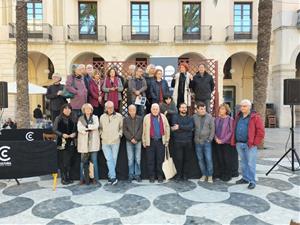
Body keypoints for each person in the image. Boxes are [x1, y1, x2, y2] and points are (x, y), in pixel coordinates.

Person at [231, 99, 265, 189]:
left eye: (245, 106)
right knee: (243, 162)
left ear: (249, 107)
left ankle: (252, 181)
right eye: (241, 106)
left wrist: (254, 143)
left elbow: (261, 131)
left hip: (250, 145)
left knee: (251, 163)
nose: (242, 108)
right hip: (239, 143)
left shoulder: (255, 117)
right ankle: (245, 178)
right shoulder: (238, 116)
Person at [142, 103, 170, 183]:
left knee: (160, 160)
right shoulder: (146, 117)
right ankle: (151, 176)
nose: (155, 110)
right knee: (150, 161)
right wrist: (144, 141)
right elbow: (144, 130)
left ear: (159, 110)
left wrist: (167, 140)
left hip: (161, 141)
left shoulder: (163, 117)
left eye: (156, 109)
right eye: (153, 109)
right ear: (151, 109)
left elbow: (167, 128)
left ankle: (160, 176)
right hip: (150, 142)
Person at [99, 101, 123, 185]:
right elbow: (100, 128)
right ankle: (113, 177)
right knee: (109, 159)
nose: (110, 109)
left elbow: (121, 128)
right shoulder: (102, 117)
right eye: (108, 107)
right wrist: (101, 134)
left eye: (111, 107)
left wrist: (119, 135)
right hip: (105, 141)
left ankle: (110, 175)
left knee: (114, 159)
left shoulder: (119, 116)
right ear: (105, 108)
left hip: (115, 141)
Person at [53, 104, 77, 185]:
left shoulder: (73, 118)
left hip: (71, 142)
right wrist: (62, 134)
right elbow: (54, 129)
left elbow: (76, 129)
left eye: (69, 109)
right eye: (65, 109)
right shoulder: (58, 118)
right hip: (62, 142)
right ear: (62, 110)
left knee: (69, 161)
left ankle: (68, 177)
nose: (67, 110)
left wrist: (75, 134)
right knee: (63, 161)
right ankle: (63, 178)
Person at [77, 103, 100, 185]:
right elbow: (79, 128)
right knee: (82, 162)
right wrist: (88, 128)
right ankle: (82, 178)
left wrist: (87, 127)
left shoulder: (95, 117)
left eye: (89, 109)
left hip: (93, 143)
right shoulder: (80, 118)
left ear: (91, 110)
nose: (87, 110)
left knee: (94, 161)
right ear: (83, 110)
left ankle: (95, 179)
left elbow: (96, 126)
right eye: (86, 109)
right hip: (84, 144)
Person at [171, 103, 194, 181]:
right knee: (179, 159)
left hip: (188, 142)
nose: (184, 109)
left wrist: (180, 127)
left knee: (187, 159)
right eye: (182, 107)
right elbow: (174, 128)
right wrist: (185, 128)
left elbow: (190, 127)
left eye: (185, 108)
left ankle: (185, 175)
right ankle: (179, 175)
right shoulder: (175, 117)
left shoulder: (190, 118)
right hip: (178, 141)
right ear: (179, 109)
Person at [193, 102, 215, 183]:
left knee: (208, 159)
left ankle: (210, 175)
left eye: (204, 109)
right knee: (200, 159)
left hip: (207, 142)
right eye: (201, 109)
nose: (203, 110)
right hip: (197, 142)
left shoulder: (209, 117)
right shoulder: (194, 117)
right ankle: (204, 174)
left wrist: (210, 139)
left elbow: (212, 129)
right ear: (197, 109)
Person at [214, 103, 236, 182]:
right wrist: (216, 138)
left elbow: (231, 132)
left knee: (227, 159)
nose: (221, 110)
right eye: (220, 108)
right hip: (217, 142)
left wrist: (222, 140)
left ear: (226, 110)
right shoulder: (216, 119)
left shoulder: (230, 119)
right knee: (220, 159)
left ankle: (228, 175)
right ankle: (221, 174)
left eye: (223, 109)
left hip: (226, 143)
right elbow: (214, 130)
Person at [123, 105, 143, 183]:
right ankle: (131, 175)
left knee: (138, 159)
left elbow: (141, 129)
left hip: (138, 141)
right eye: (130, 110)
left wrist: (136, 138)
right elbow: (125, 130)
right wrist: (131, 138)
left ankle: (137, 175)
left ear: (135, 110)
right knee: (130, 159)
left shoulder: (140, 119)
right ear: (128, 111)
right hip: (129, 141)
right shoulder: (125, 119)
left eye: (133, 109)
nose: (132, 111)